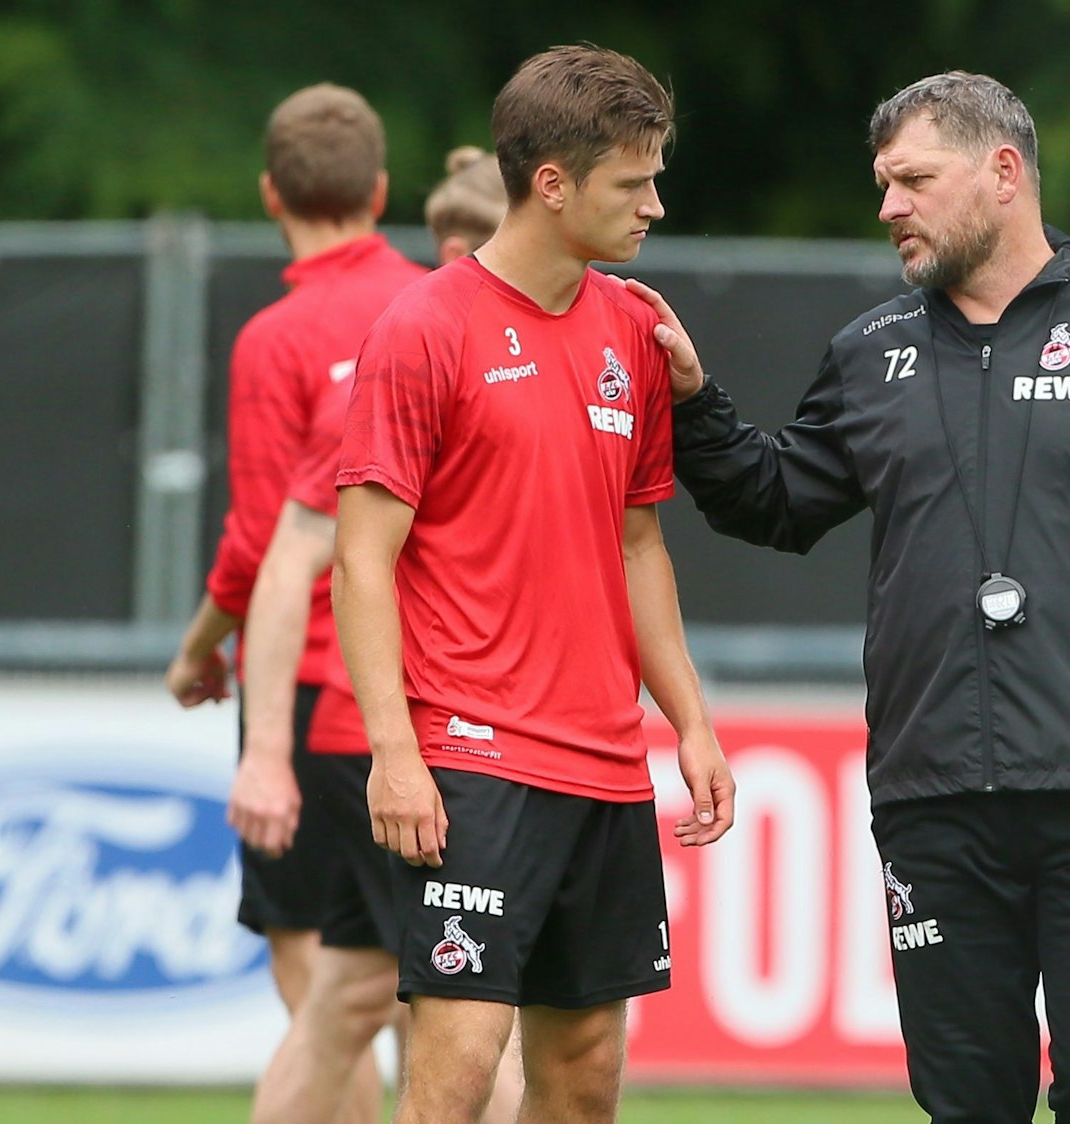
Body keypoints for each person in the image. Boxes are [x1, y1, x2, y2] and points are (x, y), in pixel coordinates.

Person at [629, 71, 1070, 1124]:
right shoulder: (871, 351)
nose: (889, 206)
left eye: (914, 180)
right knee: (967, 1103)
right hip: (931, 797)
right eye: (883, 185)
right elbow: (776, 502)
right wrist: (696, 401)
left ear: (1003, 172)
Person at [332, 45, 736, 1124]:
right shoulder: (424, 327)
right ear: (552, 183)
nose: (655, 204)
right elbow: (362, 557)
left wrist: (691, 721)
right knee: (458, 1069)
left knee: (585, 1079)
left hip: (605, 762)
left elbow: (639, 545)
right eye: (633, 183)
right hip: (473, 756)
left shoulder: (635, 330)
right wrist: (394, 751)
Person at [162, 82, 428, 1124]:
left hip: (317, 696)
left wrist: (198, 650)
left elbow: (256, 544)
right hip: (420, 689)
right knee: (432, 988)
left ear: (271, 193)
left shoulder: (275, 338)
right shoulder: (431, 307)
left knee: (324, 996)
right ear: (380, 190)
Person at [238, 146, 521, 1124]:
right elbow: (285, 559)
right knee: (474, 1005)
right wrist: (266, 750)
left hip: (403, 729)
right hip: (423, 737)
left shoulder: (489, 350)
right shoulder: (414, 358)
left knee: (348, 1002)